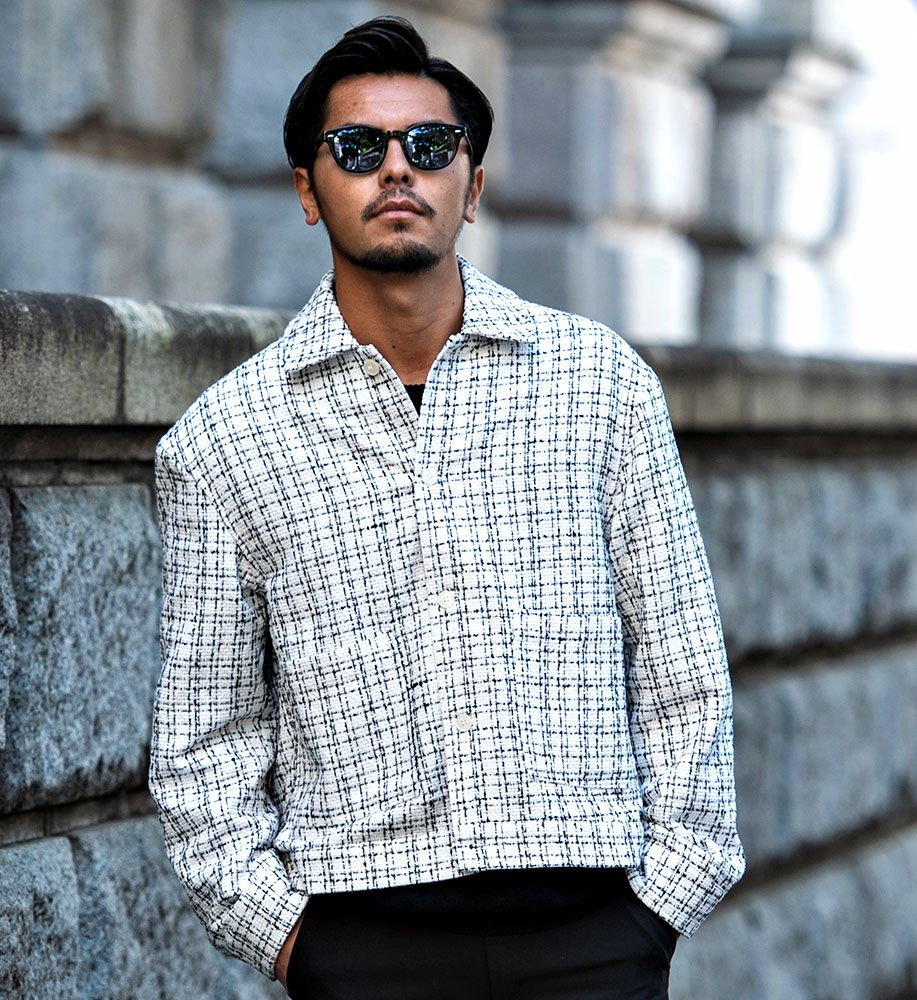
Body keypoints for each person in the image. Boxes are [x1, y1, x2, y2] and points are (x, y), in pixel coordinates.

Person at [149, 15, 745, 1000]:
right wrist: (295, 944)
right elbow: (202, 738)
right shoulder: (225, 441)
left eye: (429, 145)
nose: (397, 169)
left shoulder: (599, 385)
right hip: (363, 948)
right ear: (308, 190)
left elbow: (682, 664)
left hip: (596, 939)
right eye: (357, 147)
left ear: (472, 186)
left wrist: (658, 906)